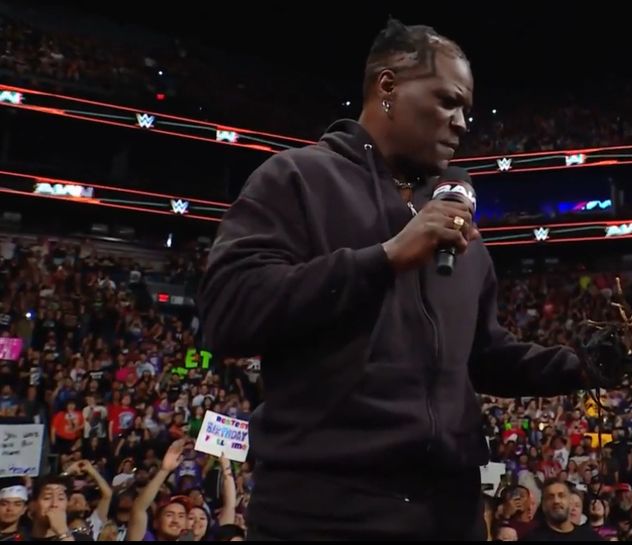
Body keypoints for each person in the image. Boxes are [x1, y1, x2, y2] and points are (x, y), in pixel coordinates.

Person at [197, 19, 598, 540]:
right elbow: (228, 313)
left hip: (449, 513)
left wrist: (591, 366)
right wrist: (384, 258)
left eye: (467, 111)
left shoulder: (456, 219)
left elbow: (483, 356)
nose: (461, 123)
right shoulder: (297, 179)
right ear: (388, 88)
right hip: (324, 514)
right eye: (448, 101)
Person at [524, 480, 602, 541]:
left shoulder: (590, 537)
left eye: (561, 495)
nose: (556, 501)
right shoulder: (532, 538)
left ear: (570, 502)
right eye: (550, 497)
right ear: (543, 505)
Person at [27, 475, 93, 541]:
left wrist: (62, 532)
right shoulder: (20, 537)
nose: (54, 504)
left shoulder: (82, 538)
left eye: (61, 499)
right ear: (32, 505)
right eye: (47, 498)